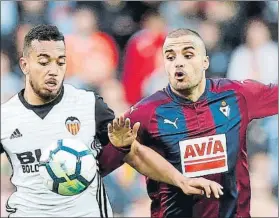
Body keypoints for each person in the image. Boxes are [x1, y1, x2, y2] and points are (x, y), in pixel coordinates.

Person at [0, 25, 223, 217]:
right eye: (43, 62)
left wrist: (180, 180)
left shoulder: (88, 105)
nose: (53, 71)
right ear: (24, 65)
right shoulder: (6, 117)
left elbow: (134, 152)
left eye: (60, 62)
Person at [108, 28, 278, 217]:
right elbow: (100, 163)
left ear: (205, 62)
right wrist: (120, 148)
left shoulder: (236, 95)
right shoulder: (146, 112)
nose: (178, 63)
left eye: (188, 55)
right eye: (170, 57)